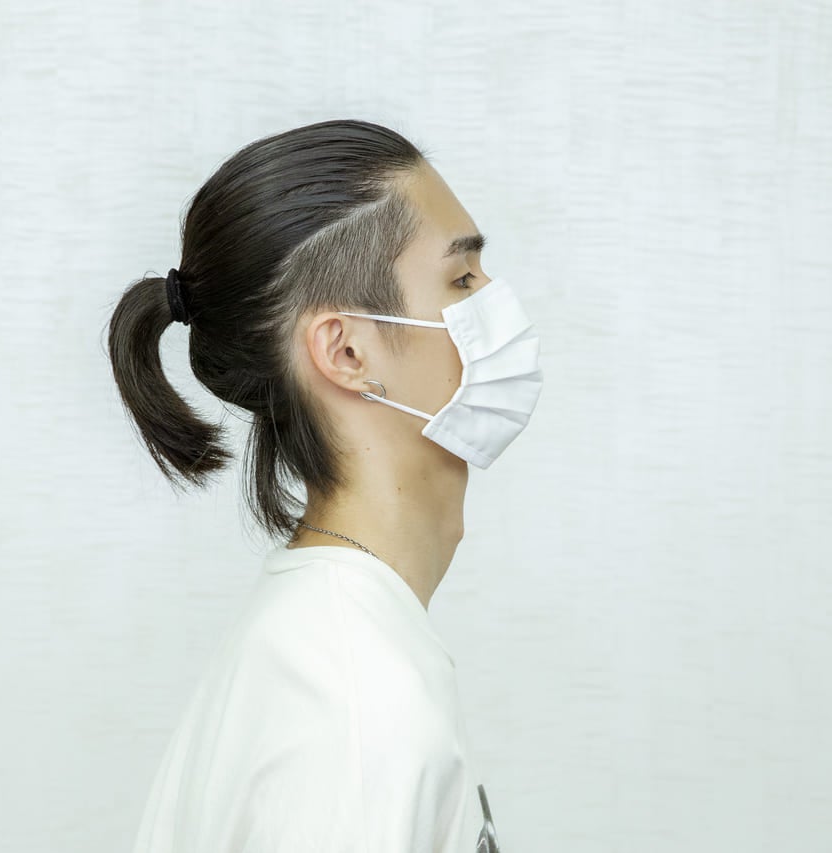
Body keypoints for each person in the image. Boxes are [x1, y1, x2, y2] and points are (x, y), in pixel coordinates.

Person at [107, 118, 542, 852]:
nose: (500, 304)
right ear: (346, 351)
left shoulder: (336, 644)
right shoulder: (355, 706)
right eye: (462, 278)